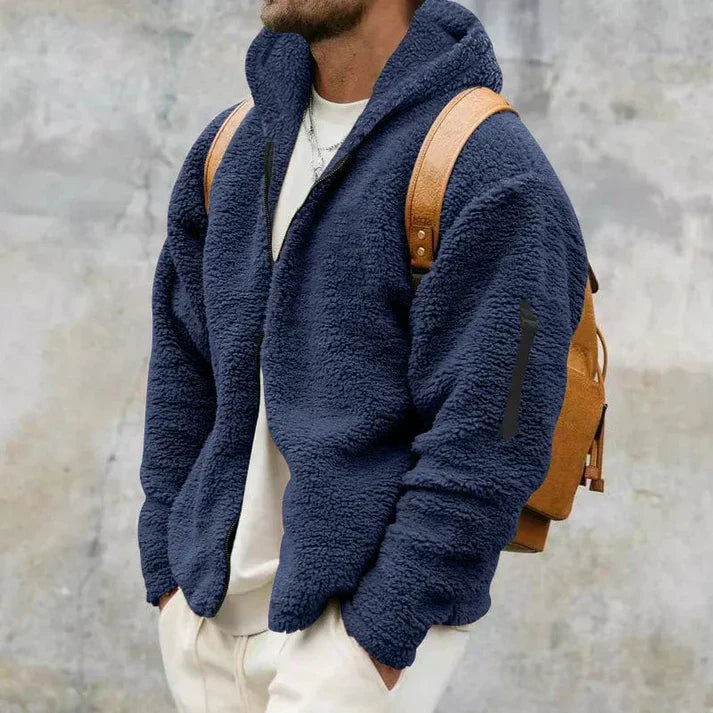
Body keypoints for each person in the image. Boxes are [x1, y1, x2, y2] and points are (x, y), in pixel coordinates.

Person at [137, 0, 589, 709]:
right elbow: (181, 372)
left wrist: (374, 640)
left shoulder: (487, 166)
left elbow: (495, 434)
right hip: (205, 620)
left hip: (354, 637)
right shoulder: (231, 146)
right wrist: (166, 571)